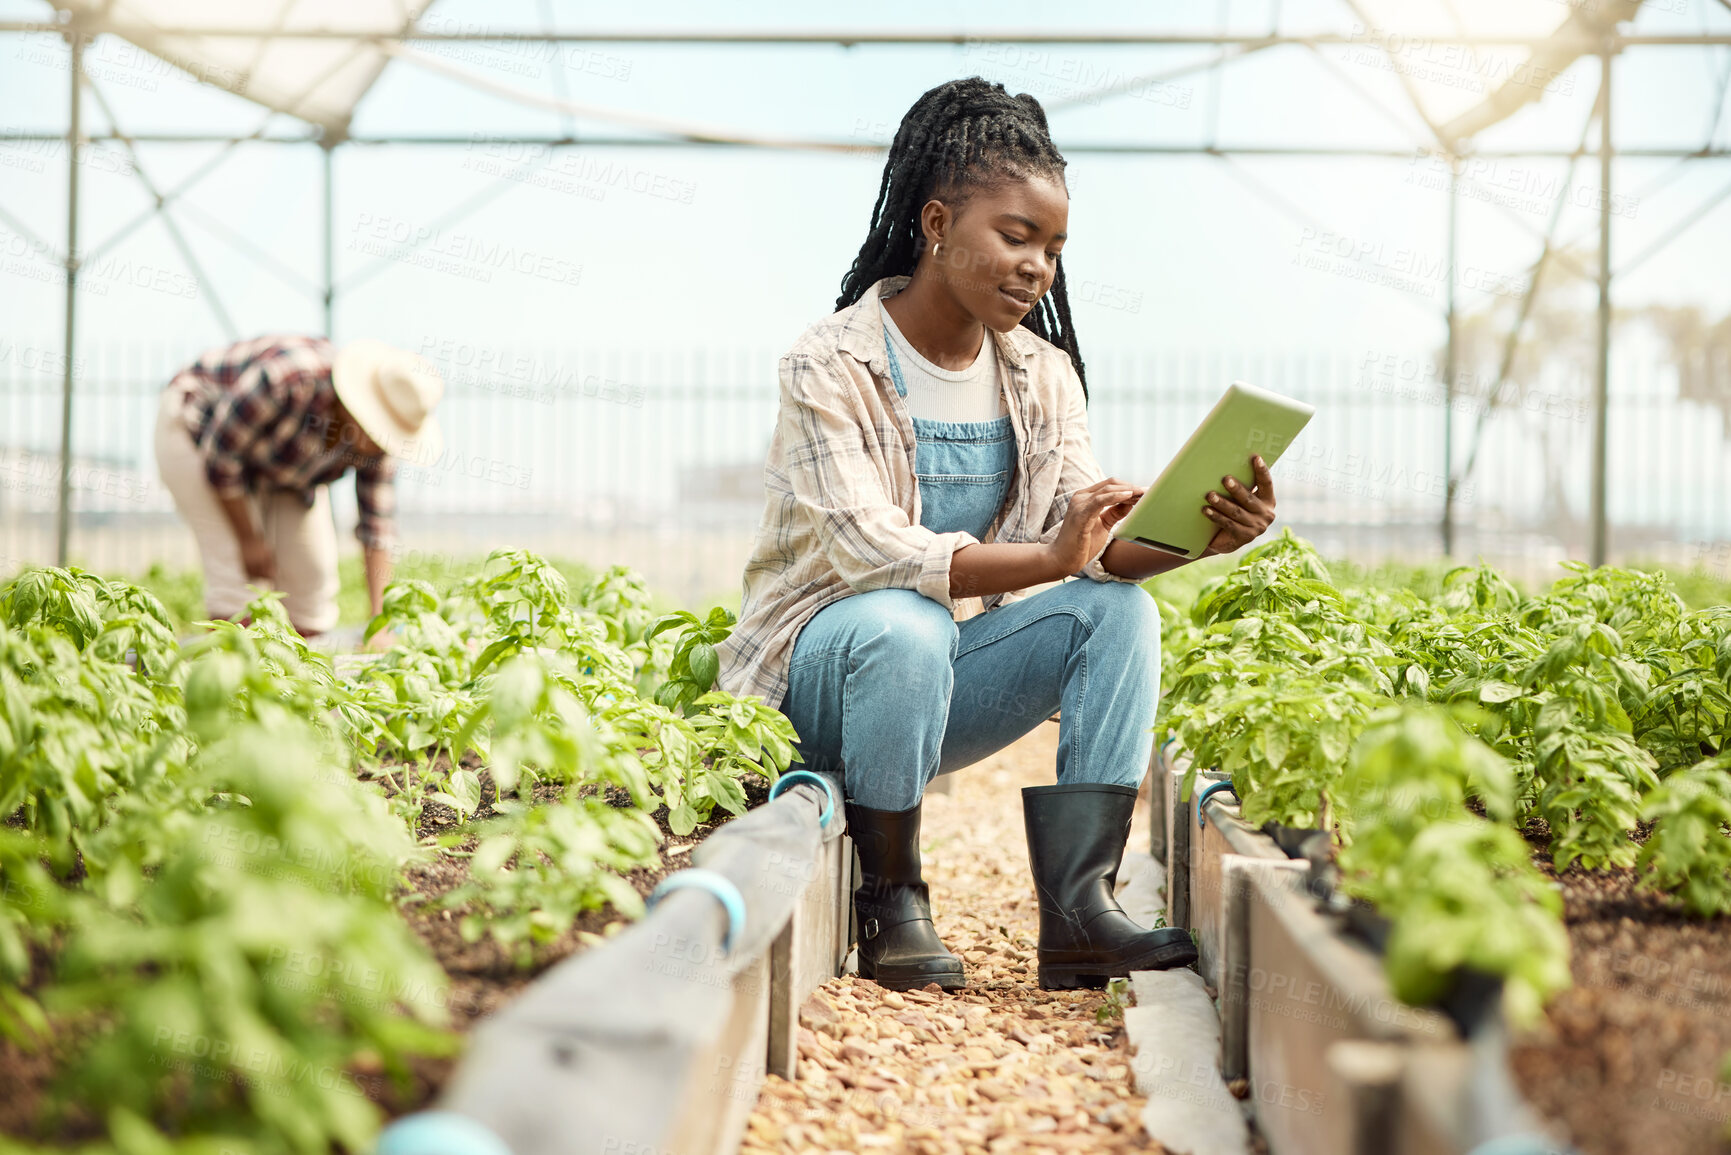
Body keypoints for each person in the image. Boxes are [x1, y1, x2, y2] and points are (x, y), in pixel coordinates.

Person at [717, 78, 1279, 993]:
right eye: (1014, 237)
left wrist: (1198, 536)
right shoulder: (829, 361)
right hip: (817, 685)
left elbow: (1092, 545)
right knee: (907, 617)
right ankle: (891, 896)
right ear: (936, 222)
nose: (1036, 267)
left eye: (1051, 248)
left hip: (928, 691)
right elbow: (874, 552)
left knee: (1117, 612)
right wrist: (1050, 556)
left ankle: (1080, 912)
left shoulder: (1042, 374)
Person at [154, 335, 444, 637]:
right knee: (238, 577)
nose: (378, 442)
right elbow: (222, 458)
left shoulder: (378, 445)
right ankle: (233, 676)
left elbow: (377, 527)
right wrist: (249, 540)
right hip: (197, 430)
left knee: (311, 578)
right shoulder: (289, 380)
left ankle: (295, 679)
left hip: (281, 466)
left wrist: (380, 624)